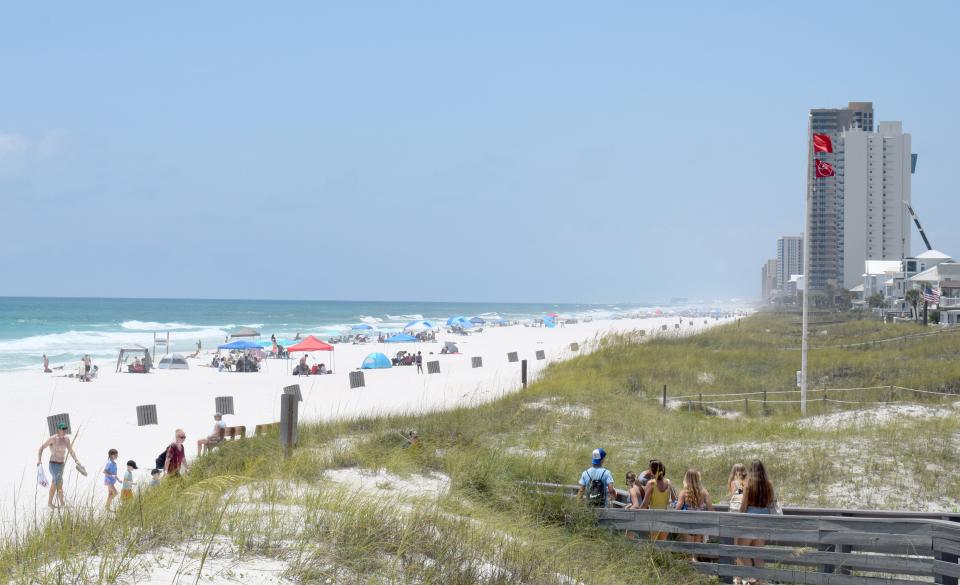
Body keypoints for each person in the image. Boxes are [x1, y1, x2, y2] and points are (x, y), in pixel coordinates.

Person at [737, 459, 777, 577]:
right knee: (758, 555)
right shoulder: (768, 484)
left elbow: (744, 506)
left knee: (741, 551)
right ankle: (761, 581)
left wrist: (737, 518)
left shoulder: (748, 485)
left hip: (750, 519)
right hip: (764, 518)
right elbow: (770, 502)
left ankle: (751, 577)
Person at [37, 422, 82, 509]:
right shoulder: (53, 438)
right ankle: (62, 504)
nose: (64, 430)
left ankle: (50, 503)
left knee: (55, 483)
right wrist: (39, 459)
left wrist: (76, 460)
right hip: (53, 464)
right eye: (62, 429)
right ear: (58, 429)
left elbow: (71, 451)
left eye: (65, 428)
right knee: (59, 483)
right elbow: (41, 448)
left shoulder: (66, 439)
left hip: (61, 465)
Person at [676, 469, 714, 557]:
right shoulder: (704, 492)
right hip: (700, 522)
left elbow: (677, 509)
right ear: (698, 478)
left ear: (686, 479)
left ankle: (690, 566)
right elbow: (711, 509)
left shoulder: (683, 492)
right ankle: (696, 565)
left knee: (688, 550)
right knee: (696, 550)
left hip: (687, 523)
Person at [640, 459, 673, 540]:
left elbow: (645, 503)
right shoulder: (668, 482)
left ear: (651, 471)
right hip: (666, 515)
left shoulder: (651, 483)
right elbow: (673, 499)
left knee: (653, 542)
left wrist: (638, 513)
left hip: (653, 515)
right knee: (662, 543)